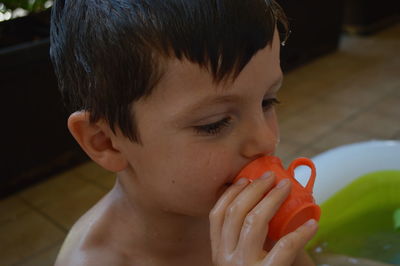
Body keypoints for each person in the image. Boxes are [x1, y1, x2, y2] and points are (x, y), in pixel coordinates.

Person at [50, 0, 318, 265]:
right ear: (106, 142)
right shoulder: (94, 261)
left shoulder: (253, 217)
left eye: (267, 101)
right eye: (213, 124)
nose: (266, 140)